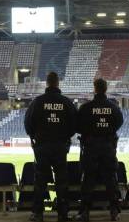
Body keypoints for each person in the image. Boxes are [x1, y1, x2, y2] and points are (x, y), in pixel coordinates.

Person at [25, 72, 77, 222]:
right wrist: (65, 136)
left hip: (42, 146)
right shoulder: (66, 102)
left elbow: (28, 123)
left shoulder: (37, 102)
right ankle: (62, 214)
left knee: (40, 180)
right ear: (58, 83)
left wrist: (34, 136)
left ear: (47, 83)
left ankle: (38, 213)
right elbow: (74, 124)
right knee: (62, 180)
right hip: (60, 146)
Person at [75, 78, 124, 221]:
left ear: (95, 88)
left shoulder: (86, 108)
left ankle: (84, 212)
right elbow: (119, 123)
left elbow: (77, 126)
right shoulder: (114, 108)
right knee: (110, 179)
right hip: (108, 147)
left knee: (88, 180)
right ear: (106, 89)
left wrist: (91, 132)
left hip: (90, 148)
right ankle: (114, 211)